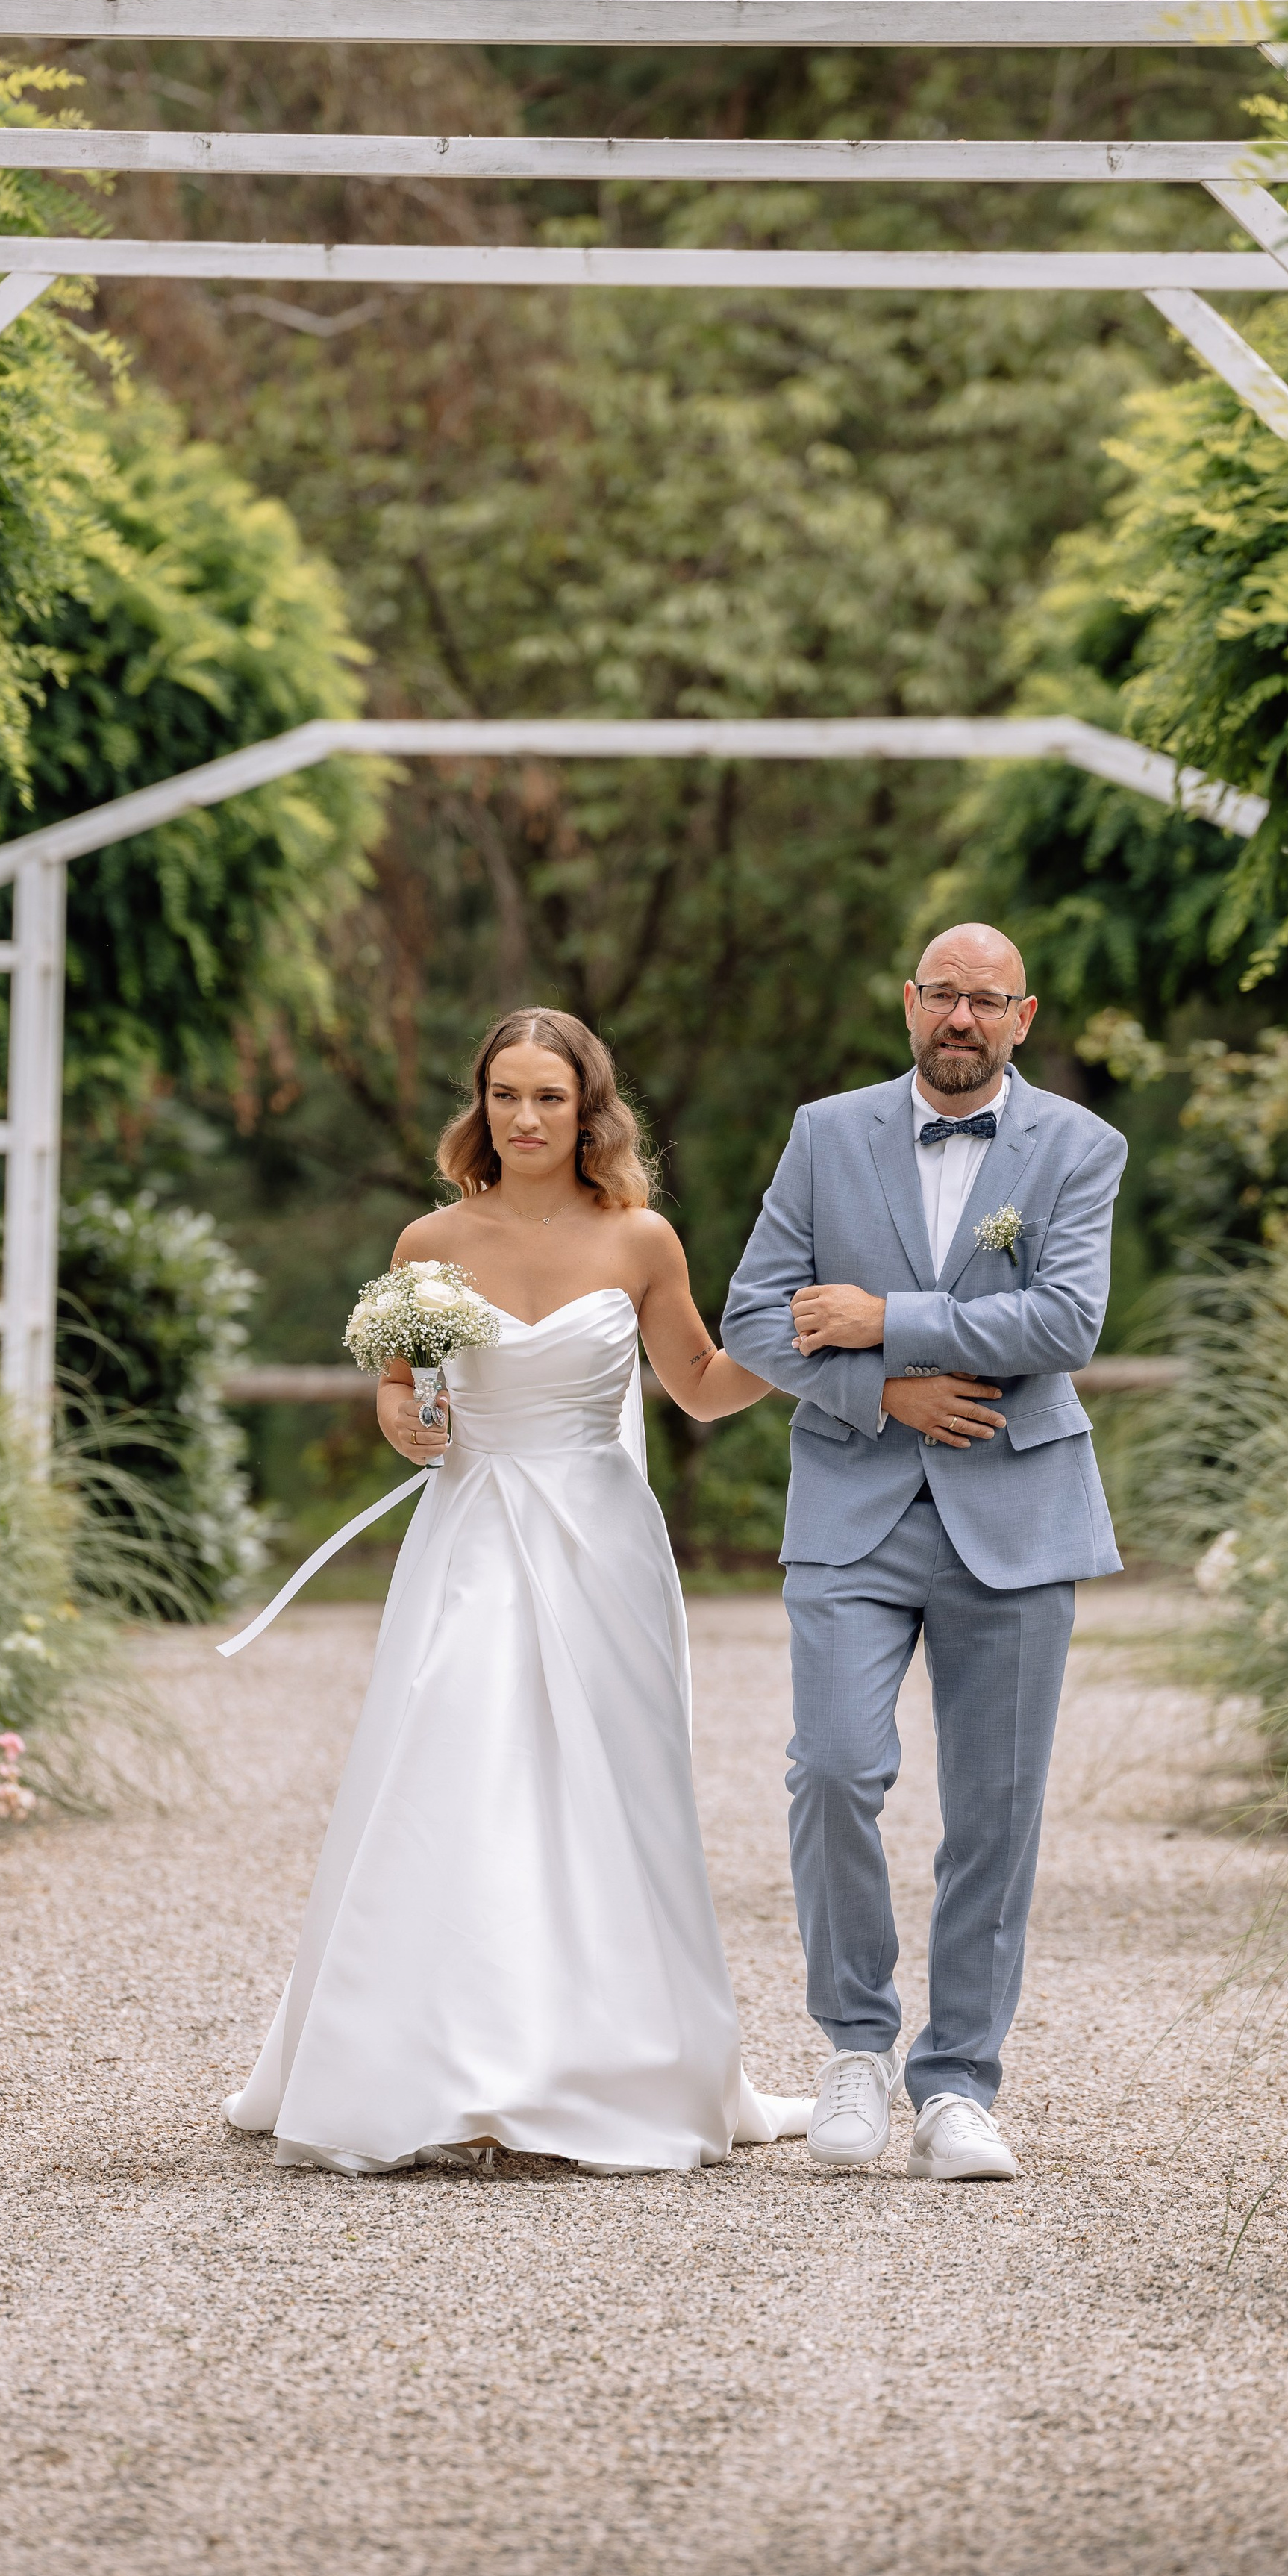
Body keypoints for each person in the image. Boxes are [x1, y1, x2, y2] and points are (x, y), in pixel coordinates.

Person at [227, 1007, 812, 2175]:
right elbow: (402, 1394)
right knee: (457, 1764)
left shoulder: (641, 1238)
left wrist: (801, 1341)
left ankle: (616, 2063)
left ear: (587, 1108)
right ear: (480, 1107)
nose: (527, 1118)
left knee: (612, 1782)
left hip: (602, 1541)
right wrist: (402, 1417)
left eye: (550, 1097)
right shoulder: (429, 1240)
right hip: (474, 1534)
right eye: (507, 1096)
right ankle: (431, 2065)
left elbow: (695, 1386)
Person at [722, 923, 1125, 2183]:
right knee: (835, 1770)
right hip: (854, 1505)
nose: (962, 1017)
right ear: (909, 1003)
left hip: (1017, 1508)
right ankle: (854, 2047)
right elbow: (751, 1316)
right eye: (942, 994)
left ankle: (959, 2086)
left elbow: (1065, 1318)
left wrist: (882, 1318)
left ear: (1024, 1016)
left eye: (986, 1000)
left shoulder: (1080, 1146)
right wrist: (882, 1394)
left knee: (994, 1815)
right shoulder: (826, 1132)